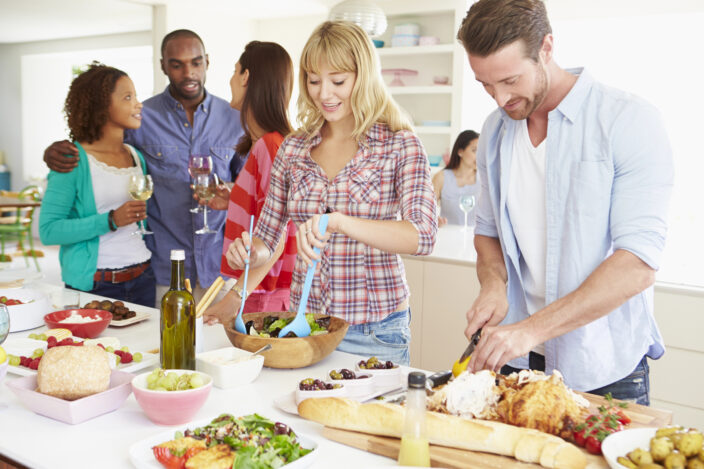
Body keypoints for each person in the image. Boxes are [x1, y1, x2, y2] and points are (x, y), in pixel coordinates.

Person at [458, 0, 674, 404]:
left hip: (604, 371)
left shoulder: (628, 120)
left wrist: (529, 329)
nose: (499, 99)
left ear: (546, 48)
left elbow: (637, 264)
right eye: (485, 85)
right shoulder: (494, 132)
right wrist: (493, 285)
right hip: (517, 361)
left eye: (509, 80)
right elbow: (487, 232)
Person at [226, 21, 438, 365]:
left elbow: (423, 236)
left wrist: (339, 222)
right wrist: (249, 252)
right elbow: (266, 239)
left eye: (338, 81)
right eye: (313, 80)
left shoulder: (400, 143)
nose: (324, 93)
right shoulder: (294, 148)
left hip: (375, 331)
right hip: (306, 326)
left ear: (363, 77)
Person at [43, 29, 244, 304]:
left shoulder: (235, 118)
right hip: (162, 268)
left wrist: (231, 191)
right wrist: (54, 150)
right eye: (177, 64)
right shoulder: (141, 117)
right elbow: (96, 142)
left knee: (219, 346)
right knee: (161, 345)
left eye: (196, 62)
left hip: (219, 268)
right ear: (163, 65)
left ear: (207, 61)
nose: (189, 73)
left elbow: (250, 187)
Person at [39, 63, 155, 306]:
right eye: (127, 97)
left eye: (135, 96)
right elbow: (49, 231)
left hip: (143, 277)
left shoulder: (135, 155)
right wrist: (110, 220)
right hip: (96, 284)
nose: (138, 103)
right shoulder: (72, 160)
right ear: (102, 106)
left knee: (147, 347)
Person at [200, 41, 298, 326]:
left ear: (246, 77)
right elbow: (272, 212)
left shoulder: (270, 145)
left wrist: (234, 298)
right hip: (261, 291)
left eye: (234, 71)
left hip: (263, 296)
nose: (231, 80)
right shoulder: (266, 144)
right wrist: (235, 198)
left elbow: (277, 235)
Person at [432, 130, 480, 227]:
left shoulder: (485, 179)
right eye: (474, 150)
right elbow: (425, 210)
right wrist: (434, 220)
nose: (479, 156)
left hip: (476, 239)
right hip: (448, 238)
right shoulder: (441, 178)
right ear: (460, 152)